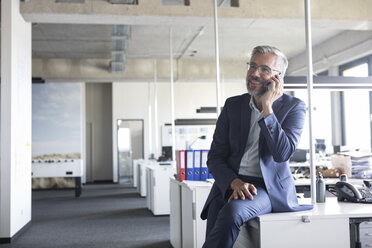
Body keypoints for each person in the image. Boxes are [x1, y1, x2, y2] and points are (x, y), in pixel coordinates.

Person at [201, 45, 313, 248]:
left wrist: (268, 109)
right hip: (232, 181)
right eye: (252, 66)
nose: (254, 73)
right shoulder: (233, 105)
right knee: (217, 209)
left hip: (266, 187)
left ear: (278, 77)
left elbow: (282, 154)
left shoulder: (294, 107)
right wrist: (233, 182)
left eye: (264, 69)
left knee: (232, 211)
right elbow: (215, 157)